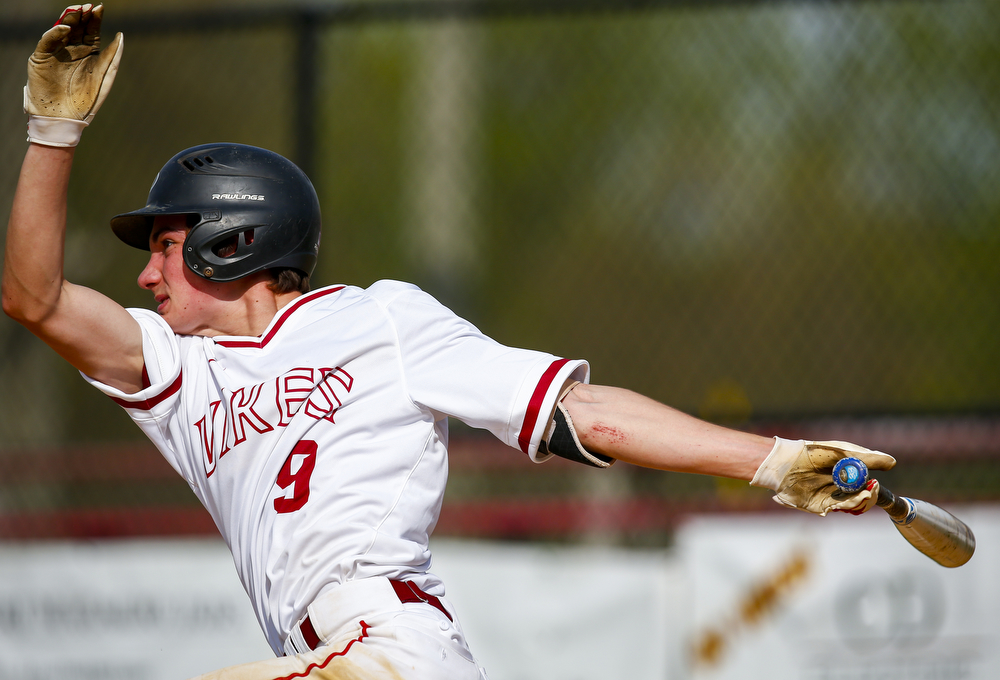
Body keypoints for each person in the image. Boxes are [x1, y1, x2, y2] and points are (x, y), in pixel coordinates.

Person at [2, 6, 896, 680]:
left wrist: (772, 460)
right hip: (329, 655)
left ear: (230, 239)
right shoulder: (178, 372)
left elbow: (577, 410)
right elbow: (31, 296)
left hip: (390, 649)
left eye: (164, 244)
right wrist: (53, 131)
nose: (147, 276)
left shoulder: (380, 320)